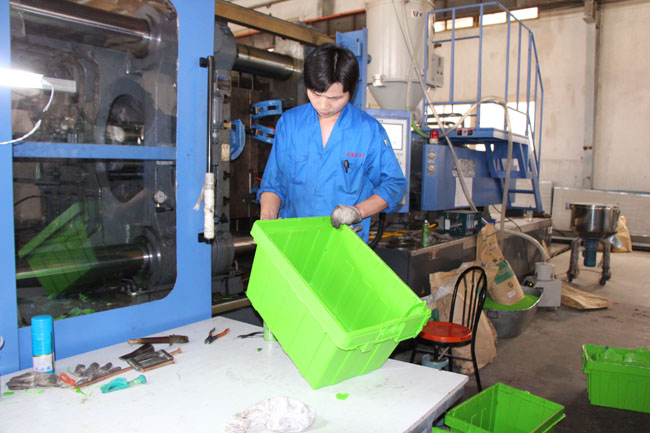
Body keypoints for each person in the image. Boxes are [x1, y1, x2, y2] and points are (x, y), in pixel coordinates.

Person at [257, 43, 406, 242]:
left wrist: (358, 211)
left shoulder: (368, 131)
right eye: (316, 94)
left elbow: (393, 184)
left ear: (351, 91)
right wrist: (267, 223)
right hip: (294, 242)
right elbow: (273, 184)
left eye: (335, 98)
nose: (324, 105)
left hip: (344, 245)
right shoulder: (290, 124)